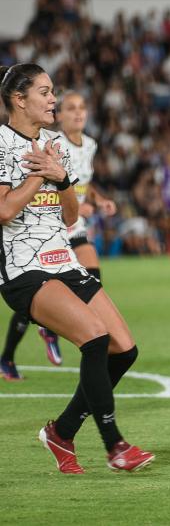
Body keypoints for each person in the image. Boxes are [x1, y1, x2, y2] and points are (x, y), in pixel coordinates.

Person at [0, 63, 153, 473]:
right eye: (46, 93)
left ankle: (62, 432)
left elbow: (69, 218)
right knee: (95, 339)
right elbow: (3, 211)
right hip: (24, 268)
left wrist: (63, 178)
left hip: (64, 259)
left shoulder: (55, 144)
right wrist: (40, 175)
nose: (54, 100)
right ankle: (115, 445)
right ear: (19, 99)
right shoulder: (0, 144)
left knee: (125, 349)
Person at [1, 91, 117, 378]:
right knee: (39, 292)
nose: (78, 113)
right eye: (71, 108)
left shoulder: (89, 144)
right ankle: (18, 350)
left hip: (74, 227)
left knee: (92, 280)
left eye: (82, 107)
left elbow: (81, 182)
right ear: (60, 116)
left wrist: (97, 200)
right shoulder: (51, 143)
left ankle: (58, 330)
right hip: (47, 231)